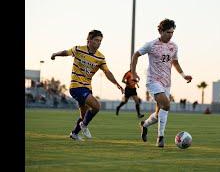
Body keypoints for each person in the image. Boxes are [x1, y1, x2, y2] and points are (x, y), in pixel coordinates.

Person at [51, 30, 124, 141]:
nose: (98, 43)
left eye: (100, 41)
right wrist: (55, 54)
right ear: (89, 40)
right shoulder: (78, 49)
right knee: (96, 106)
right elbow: (66, 52)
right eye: (96, 40)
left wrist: (116, 83)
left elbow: (107, 72)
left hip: (87, 88)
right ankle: (84, 125)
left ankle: (74, 134)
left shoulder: (100, 57)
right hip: (75, 86)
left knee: (84, 115)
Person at [131, 19, 193, 147]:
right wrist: (133, 72)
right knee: (166, 104)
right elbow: (136, 55)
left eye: (172, 32)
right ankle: (160, 137)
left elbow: (175, 62)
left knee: (160, 112)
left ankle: (144, 124)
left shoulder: (174, 46)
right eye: (167, 32)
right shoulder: (151, 45)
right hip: (153, 81)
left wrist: (183, 75)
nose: (170, 35)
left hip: (166, 83)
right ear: (160, 31)